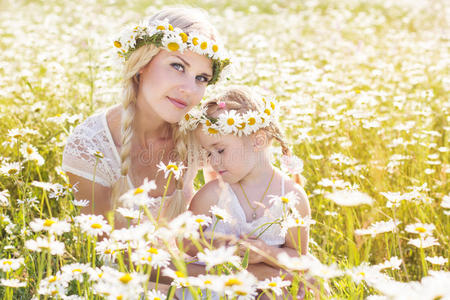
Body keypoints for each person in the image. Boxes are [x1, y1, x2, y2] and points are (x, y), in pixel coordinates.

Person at [62, 7, 230, 225]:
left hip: (195, 256)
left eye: (201, 78)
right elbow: (104, 248)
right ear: (142, 63)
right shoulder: (91, 146)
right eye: (177, 66)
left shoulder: (199, 134)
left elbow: (237, 205)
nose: (189, 89)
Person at [181, 87, 313, 299]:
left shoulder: (291, 196)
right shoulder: (212, 195)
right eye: (208, 153)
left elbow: (298, 256)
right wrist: (218, 246)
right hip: (217, 283)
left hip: (267, 284)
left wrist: (265, 252)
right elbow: (185, 242)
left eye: (220, 150)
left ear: (257, 141)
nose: (213, 161)